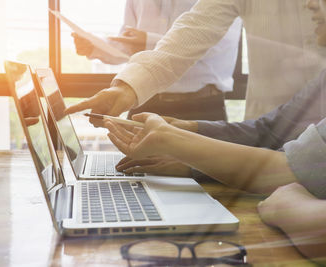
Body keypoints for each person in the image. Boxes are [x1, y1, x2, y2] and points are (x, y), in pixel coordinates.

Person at [102, 0, 326, 261]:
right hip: (266, 164)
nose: (312, 4)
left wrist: (175, 141)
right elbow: (271, 132)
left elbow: (285, 171)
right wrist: (188, 140)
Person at [65, 0, 325, 125]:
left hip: (206, 104)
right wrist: (127, 88)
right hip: (266, 129)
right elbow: (193, 31)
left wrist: (145, 41)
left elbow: (215, 45)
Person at [72, 0, 242, 120]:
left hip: (200, 107)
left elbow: (216, 44)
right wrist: (95, 46)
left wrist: (148, 41)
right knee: (130, 170)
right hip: (144, 102)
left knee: (205, 171)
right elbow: (129, 43)